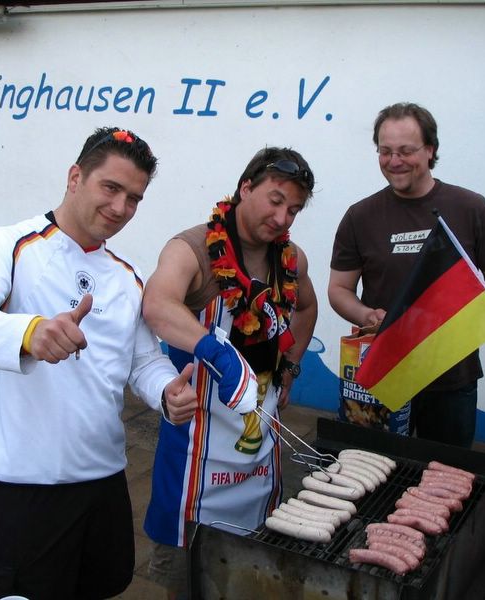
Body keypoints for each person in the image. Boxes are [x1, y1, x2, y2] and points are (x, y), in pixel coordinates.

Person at [0, 127, 198, 600]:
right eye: (110, 188)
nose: (120, 208)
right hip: (26, 483)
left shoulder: (127, 275)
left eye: (134, 198)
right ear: (75, 177)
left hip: (104, 477)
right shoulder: (9, 245)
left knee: (101, 586)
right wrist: (28, 333)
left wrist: (166, 392)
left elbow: (142, 361)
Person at [141, 147, 318, 599]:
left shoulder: (289, 258)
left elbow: (307, 306)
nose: (282, 218)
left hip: (259, 460)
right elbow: (157, 304)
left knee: (251, 578)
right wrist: (215, 352)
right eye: (275, 200)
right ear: (246, 188)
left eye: (294, 210)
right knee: (189, 583)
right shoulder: (193, 249)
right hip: (196, 461)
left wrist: (290, 367)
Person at [328, 102, 485, 448]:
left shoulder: (471, 208)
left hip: (451, 377)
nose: (394, 160)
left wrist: (457, 311)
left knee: (445, 471)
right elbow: (339, 289)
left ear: (430, 150)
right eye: (385, 151)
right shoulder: (360, 216)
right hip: (384, 371)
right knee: (374, 469)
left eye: (406, 151)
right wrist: (367, 315)